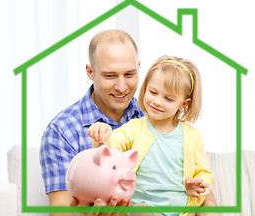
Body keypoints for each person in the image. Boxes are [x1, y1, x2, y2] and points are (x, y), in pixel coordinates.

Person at [39, 30, 218, 216]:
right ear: (90, 72)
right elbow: (62, 211)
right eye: (110, 76)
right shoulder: (61, 131)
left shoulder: (156, 115)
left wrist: (207, 206)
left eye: (129, 74)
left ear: (139, 68)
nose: (122, 87)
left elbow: (203, 192)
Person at [88, 55, 214, 216]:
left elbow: (204, 173)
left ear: (183, 104)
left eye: (168, 98)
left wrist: (200, 183)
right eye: (153, 92)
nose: (157, 102)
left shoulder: (192, 136)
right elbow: (112, 145)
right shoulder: (135, 128)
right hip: (142, 208)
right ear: (145, 88)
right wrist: (101, 134)